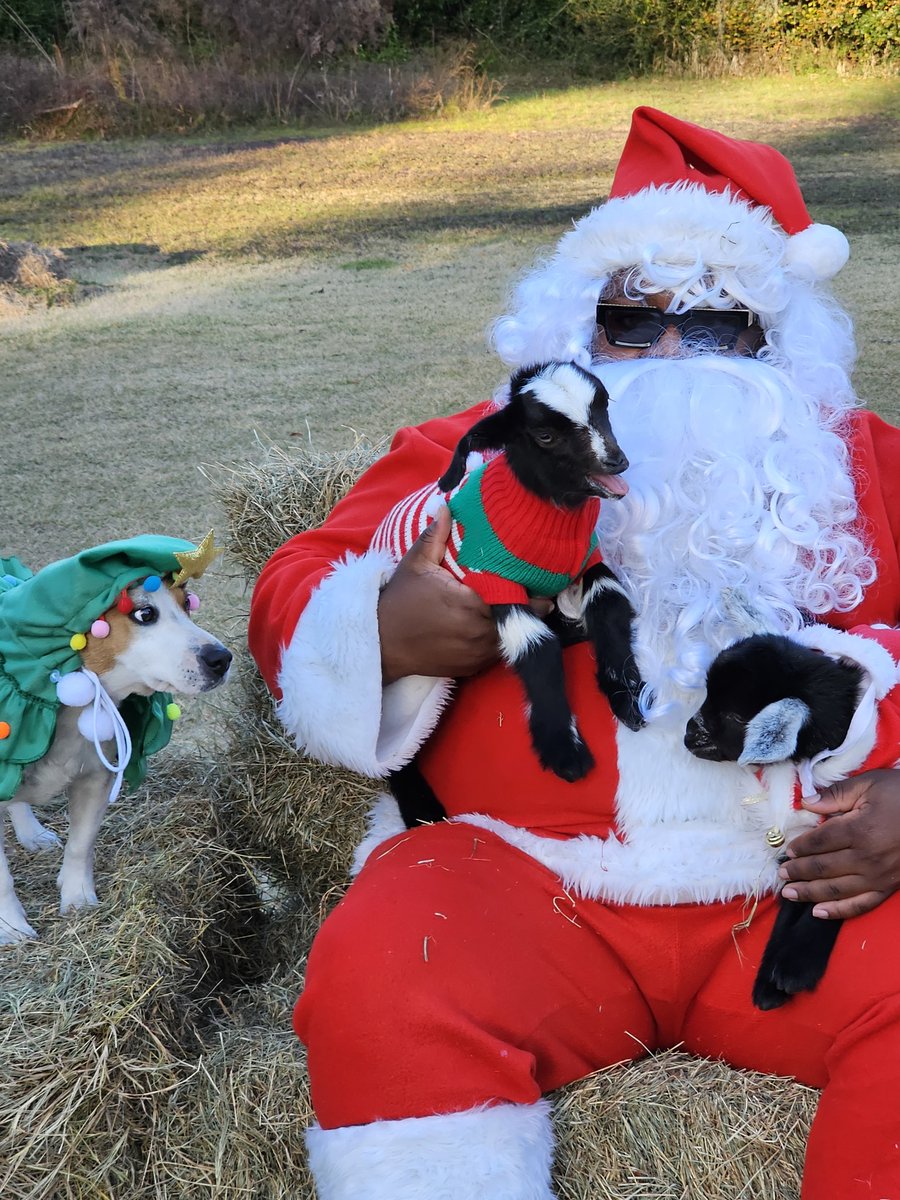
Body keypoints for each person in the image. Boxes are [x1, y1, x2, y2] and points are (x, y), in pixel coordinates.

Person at [248, 107, 900, 1200]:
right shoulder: (469, 451)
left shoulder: (863, 465)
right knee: (388, 967)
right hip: (528, 884)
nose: (673, 357)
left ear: (776, 341)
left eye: (719, 327)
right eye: (631, 327)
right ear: (573, 333)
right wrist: (379, 624)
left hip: (800, 896)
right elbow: (291, 586)